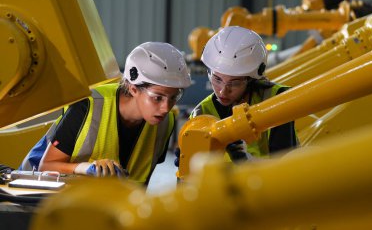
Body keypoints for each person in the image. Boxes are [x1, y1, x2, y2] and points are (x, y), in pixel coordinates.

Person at [21, 42, 191, 185]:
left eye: (174, 97)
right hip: (35, 198)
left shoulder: (165, 123)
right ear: (133, 88)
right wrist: (85, 168)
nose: (166, 107)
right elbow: (46, 166)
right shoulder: (88, 106)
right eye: (157, 98)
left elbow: (140, 181)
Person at [176, 26, 298, 165]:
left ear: (251, 79)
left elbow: (287, 167)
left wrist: (247, 162)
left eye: (234, 83)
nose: (223, 91)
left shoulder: (276, 99)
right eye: (217, 79)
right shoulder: (201, 113)